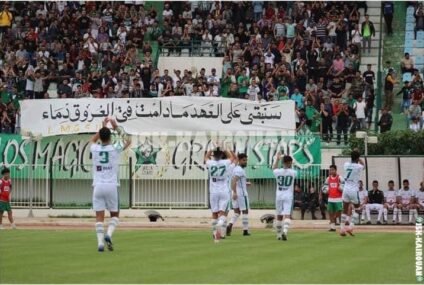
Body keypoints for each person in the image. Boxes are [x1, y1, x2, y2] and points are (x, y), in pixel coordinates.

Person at [90, 117, 131, 252]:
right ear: (110, 137)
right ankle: (108, 234)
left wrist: (103, 127)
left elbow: (92, 140)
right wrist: (116, 127)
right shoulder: (114, 148)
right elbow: (128, 140)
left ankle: (100, 243)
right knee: (115, 215)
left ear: (100, 136)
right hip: (111, 185)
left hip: (97, 186)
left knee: (99, 217)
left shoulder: (95, 148)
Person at [204, 147, 235, 242]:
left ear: (214, 155)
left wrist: (211, 148)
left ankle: (215, 234)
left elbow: (206, 157)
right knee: (222, 213)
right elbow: (232, 158)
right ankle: (220, 224)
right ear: (221, 154)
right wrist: (225, 148)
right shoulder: (225, 163)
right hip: (224, 190)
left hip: (213, 190)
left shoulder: (210, 163)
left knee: (214, 213)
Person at [272, 153, 297, 241]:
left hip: (279, 194)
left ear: (283, 162)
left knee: (279, 215)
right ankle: (285, 231)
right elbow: (292, 171)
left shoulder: (277, 172)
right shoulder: (293, 172)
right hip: (288, 195)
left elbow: (273, 168)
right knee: (287, 215)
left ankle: (278, 235)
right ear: (290, 162)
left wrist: (277, 159)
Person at [340, 150, 365, 237]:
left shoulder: (346, 164)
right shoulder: (358, 166)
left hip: (345, 189)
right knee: (358, 209)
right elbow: (364, 165)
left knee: (344, 209)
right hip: (354, 190)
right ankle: (350, 227)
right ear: (358, 158)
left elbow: (352, 161)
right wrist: (359, 158)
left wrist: (355, 155)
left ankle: (342, 229)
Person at [226, 153, 250, 236]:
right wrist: (235, 192)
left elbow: (236, 181)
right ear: (239, 161)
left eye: (246, 160)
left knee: (237, 212)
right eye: (244, 160)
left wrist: (245, 183)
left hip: (234, 192)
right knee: (245, 211)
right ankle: (245, 230)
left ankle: (230, 224)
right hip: (241, 194)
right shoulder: (239, 170)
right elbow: (234, 181)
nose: (245, 162)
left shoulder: (235, 169)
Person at [322, 165, 344, 232]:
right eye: (330, 170)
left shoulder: (339, 178)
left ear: (335, 170)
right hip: (330, 198)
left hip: (338, 198)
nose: (331, 171)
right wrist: (325, 190)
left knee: (339, 212)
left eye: (332, 170)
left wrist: (341, 188)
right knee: (330, 213)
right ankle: (332, 227)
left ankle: (342, 227)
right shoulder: (328, 178)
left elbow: (344, 186)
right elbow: (324, 186)